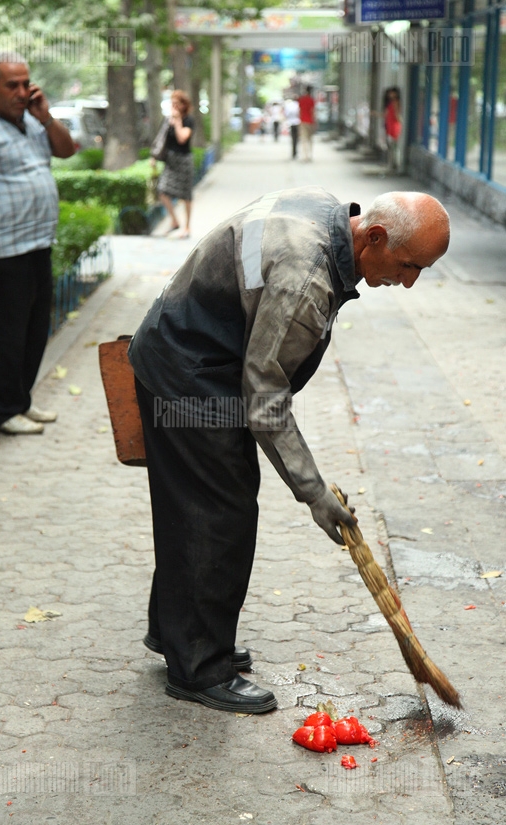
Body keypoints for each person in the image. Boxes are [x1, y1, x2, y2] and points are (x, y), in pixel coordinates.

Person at [127, 188, 450, 715]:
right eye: (410, 265)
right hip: (189, 375)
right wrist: (315, 493)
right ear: (374, 236)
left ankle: (180, 636)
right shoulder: (307, 276)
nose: (409, 282)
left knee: (194, 508)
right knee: (218, 516)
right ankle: (199, 668)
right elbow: (265, 398)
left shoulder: (325, 212)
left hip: (189, 352)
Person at [0, 52, 74, 435]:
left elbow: (66, 149)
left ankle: (20, 401)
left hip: (37, 244)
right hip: (1, 250)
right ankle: (2, 411)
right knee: (3, 336)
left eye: (26, 83)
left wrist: (45, 114)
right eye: (12, 85)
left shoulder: (33, 121)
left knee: (33, 331)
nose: (22, 91)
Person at [153, 90, 194, 239]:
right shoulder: (167, 120)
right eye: (172, 103)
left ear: (184, 105)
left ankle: (187, 227)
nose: (174, 106)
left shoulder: (188, 120)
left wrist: (177, 122)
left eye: (177, 104)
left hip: (184, 160)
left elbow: (182, 138)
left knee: (186, 195)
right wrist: (154, 157)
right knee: (162, 191)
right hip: (171, 161)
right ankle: (175, 221)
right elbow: (161, 140)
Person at [384, 87, 402, 172]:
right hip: (390, 126)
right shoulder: (391, 103)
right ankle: (392, 164)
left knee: (395, 146)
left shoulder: (396, 103)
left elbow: (397, 115)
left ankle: (395, 164)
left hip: (394, 127)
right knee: (391, 146)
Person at [298, 85, 316, 162]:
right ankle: (310, 155)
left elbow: (300, 111)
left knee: (304, 139)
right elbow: (313, 111)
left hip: (303, 121)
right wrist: (314, 121)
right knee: (310, 139)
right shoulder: (311, 100)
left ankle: (304, 156)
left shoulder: (301, 99)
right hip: (310, 121)